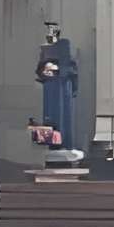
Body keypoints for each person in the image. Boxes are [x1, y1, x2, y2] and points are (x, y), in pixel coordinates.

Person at [34, 19, 80, 148]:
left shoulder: (64, 45)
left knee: (62, 117)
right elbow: (39, 68)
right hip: (48, 88)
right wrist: (44, 71)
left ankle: (63, 144)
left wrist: (57, 69)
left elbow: (70, 67)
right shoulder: (44, 48)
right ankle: (50, 144)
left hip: (61, 87)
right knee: (48, 116)